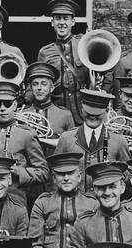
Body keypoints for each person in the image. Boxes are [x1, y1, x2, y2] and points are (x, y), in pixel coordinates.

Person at [38, 0, 112, 125]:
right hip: (57, 118)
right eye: (58, 18)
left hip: (85, 115)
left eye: (65, 18)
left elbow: (107, 69)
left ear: (73, 22)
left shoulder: (85, 45)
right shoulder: (45, 52)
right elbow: (38, 80)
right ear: (52, 22)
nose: (62, 23)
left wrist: (103, 91)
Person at [54, 89, 130, 193]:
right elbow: (56, 174)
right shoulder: (66, 138)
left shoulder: (119, 140)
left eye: (98, 113)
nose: (92, 116)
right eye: (88, 111)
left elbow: (127, 175)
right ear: (82, 108)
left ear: (107, 111)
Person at [21, 62, 76, 204]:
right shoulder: (22, 114)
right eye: (35, 84)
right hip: (29, 182)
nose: (39, 88)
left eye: (44, 84)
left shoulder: (64, 114)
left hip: (55, 179)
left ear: (52, 87)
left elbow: (72, 148)